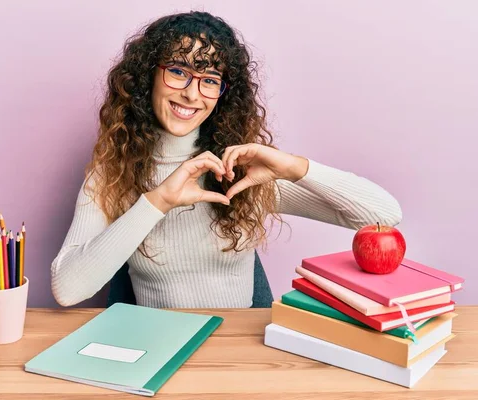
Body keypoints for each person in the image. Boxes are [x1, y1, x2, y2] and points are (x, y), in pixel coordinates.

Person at [51, 11, 402, 308]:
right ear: (148, 76)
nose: (191, 93)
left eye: (209, 80)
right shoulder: (114, 173)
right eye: (178, 71)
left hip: (238, 355)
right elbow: (67, 290)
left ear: (223, 93)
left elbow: (383, 215)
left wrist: (295, 167)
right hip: (156, 351)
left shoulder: (239, 170)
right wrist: (157, 202)